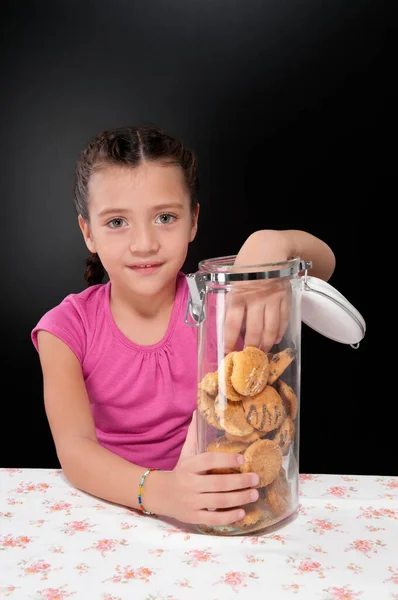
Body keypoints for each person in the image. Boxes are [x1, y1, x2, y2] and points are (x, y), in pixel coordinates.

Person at [31, 125, 336, 527]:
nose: (144, 243)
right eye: (117, 222)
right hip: (112, 510)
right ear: (88, 231)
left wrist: (278, 243)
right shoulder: (67, 328)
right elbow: (74, 450)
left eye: (164, 217)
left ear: (193, 221)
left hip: (222, 506)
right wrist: (161, 491)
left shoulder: (222, 302)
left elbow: (325, 266)